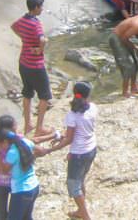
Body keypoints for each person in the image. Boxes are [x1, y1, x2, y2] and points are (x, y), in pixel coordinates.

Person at [43, 82, 98, 219]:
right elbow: (78, 132)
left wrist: (49, 150)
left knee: (73, 185)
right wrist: (64, 137)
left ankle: (85, 215)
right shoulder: (93, 108)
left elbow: (69, 139)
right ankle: (81, 210)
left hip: (79, 153)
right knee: (81, 179)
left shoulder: (72, 115)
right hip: (91, 149)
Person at [0, 115, 51, 220]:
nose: (1, 147)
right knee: (27, 217)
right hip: (34, 186)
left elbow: (4, 170)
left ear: (5, 142)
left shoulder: (12, 152)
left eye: (1, 144)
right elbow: (40, 150)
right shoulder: (25, 142)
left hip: (21, 191)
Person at [12, 0, 52, 136]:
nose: (41, 9)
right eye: (40, 6)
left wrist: (24, 39)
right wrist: (40, 48)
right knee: (44, 95)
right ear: (35, 8)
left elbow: (13, 27)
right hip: (35, 65)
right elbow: (41, 39)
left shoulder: (22, 20)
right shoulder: (36, 24)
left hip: (23, 62)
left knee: (27, 93)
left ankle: (28, 125)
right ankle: (39, 127)